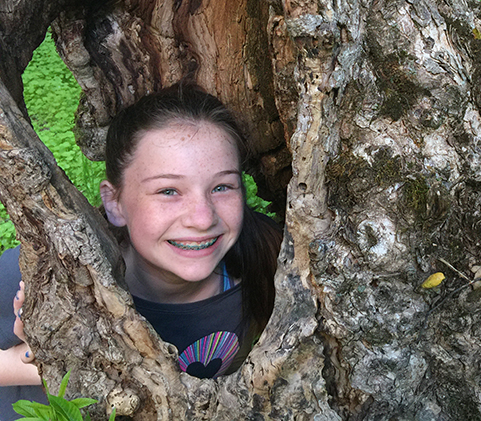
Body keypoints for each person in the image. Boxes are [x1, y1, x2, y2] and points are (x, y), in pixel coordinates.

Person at [0, 83, 282, 417]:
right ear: (115, 202)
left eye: (222, 186)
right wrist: (41, 357)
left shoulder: (266, 269)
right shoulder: (35, 272)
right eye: (168, 191)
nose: (202, 218)